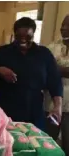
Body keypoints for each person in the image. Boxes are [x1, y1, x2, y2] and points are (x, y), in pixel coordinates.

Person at [0, 17, 63, 131]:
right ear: (14, 34)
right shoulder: (3, 52)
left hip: (34, 111)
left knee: (33, 144)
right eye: (19, 37)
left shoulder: (44, 54)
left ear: (33, 34)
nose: (23, 40)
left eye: (28, 37)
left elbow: (55, 81)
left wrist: (58, 106)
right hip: (5, 109)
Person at [44, 14, 69, 155]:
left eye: (68, 26)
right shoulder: (52, 48)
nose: (64, 29)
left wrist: (56, 69)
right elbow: (44, 70)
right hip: (51, 107)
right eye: (62, 26)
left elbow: (52, 70)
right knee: (49, 141)